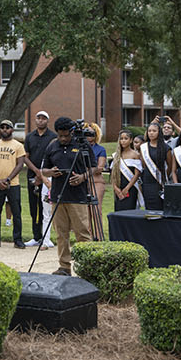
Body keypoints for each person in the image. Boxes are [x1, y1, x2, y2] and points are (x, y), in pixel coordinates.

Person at [40, 116, 102, 275]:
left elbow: (94, 168)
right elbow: (43, 170)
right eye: (60, 135)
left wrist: (82, 177)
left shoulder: (82, 145)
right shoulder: (52, 146)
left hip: (78, 197)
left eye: (66, 135)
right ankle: (64, 267)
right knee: (61, 234)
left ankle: (87, 268)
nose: (63, 138)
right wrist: (51, 172)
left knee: (82, 233)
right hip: (58, 196)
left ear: (72, 132)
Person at [0, 120, 31, 247]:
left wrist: (7, 179)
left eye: (7, 127)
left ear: (12, 129)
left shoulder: (18, 145)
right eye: (2, 127)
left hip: (13, 184)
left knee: (16, 212)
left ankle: (17, 239)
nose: (4, 129)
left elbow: (20, 164)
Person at [24, 110, 57, 245]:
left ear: (47, 121)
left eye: (43, 118)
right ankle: (36, 236)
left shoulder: (53, 137)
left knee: (46, 208)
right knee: (33, 207)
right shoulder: (30, 136)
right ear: (35, 120)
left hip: (48, 176)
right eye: (38, 118)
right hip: (33, 175)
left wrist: (43, 174)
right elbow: (25, 157)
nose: (41, 120)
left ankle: (46, 237)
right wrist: (37, 172)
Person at [137, 124, 168, 210]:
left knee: (161, 208)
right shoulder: (143, 147)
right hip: (147, 182)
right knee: (149, 208)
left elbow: (170, 166)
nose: (151, 133)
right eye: (149, 131)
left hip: (161, 182)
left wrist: (163, 177)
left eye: (154, 131)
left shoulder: (166, 148)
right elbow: (143, 165)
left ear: (159, 132)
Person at [112, 131, 142, 211]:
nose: (123, 141)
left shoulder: (135, 155)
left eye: (126, 138)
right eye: (121, 139)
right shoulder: (116, 155)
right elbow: (113, 174)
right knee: (118, 212)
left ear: (131, 140)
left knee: (129, 211)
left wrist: (127, 188)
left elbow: (137, 174)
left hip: (131, 188)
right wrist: (115, 188)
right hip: (118, 187)